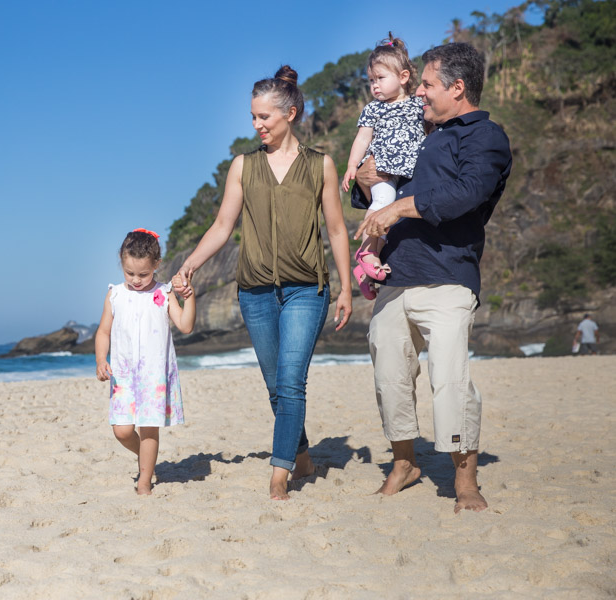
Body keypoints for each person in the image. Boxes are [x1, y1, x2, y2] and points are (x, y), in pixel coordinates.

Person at [173, 66, 353, 500]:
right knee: (277, 386)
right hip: (254, 292)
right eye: (252, 117)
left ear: (290, 114)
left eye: (264, 118)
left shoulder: (320, 165)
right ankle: (302, 452)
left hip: (306, 290)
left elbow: (335, 229)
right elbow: (222, 225)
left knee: (292, 382)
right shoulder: (243, 166)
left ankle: (279, 472)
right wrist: (190, 264)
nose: (257, 126)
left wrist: (346, 287)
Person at [354, 42, 512, 513]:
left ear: (458, 88)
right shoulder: (416, 127)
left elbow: (467, 192)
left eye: (426, 84)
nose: (418, 92)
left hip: (448, 273)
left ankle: (465, 480)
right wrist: (368, 182)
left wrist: (402, 205)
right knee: (390, 375)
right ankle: (404, 463)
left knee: (450, 378)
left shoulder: (484, 137)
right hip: (397, 274)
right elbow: (384, 187)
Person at [95, 228, 196, 495]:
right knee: (122, 430)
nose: (136, 280)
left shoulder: (163, 293)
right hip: (123, 375)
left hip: (153, 376)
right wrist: (100, 360)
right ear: (121, 262)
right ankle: (146, 460)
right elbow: (103, 331)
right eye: (130, 273)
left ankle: (144, 480)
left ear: (156, 265)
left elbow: (185, 326)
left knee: (148, 429)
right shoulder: (114, 294)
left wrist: (189, 298)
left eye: (143, 274)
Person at [341, 33, 425, 301]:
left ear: (402, 77)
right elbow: (363, 138)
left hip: (407, 171)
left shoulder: (417, 104)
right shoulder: (373, 109)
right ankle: (367, 252)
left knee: (395, 219)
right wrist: (352, 166)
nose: (374, 86)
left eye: (380, 78)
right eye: (370, 80)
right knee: (383, 203)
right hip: (381, 170)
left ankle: (365, 273)